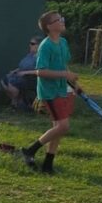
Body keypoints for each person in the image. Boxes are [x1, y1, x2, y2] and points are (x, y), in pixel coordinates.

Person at [19, 11, 81, 174]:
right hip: (49, 92)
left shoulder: (63, 42)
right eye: (58, 20)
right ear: (49, 26)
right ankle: (30, 150)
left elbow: (63, 65)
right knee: (63, 126)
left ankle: (47, 165)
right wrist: (65, 75)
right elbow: (41, 71)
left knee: (58, 128)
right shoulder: (45, 46)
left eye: (62, 18)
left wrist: (72, 82)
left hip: (62, 89)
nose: (62, 21)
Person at [1, 35, 42, 108]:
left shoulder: (41, 57)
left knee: (12, 82)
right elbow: (23, 67)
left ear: (39, 45)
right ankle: (18, 101)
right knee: (4, 79)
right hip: (22, 76)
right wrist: (15, 71)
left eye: (32, 44)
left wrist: (25, 73)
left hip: (32, 79)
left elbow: (41, 71)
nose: (30, 45)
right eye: (30, 43)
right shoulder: (30, 55)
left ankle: (15, 104)